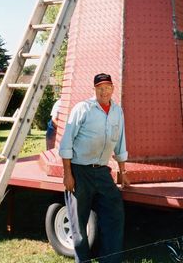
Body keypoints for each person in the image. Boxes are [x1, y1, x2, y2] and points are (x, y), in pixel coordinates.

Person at [59, 73, 130, 263]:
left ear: (113, 88)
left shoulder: (117, 111)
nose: (104, 90)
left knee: (114, 213)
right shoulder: (82, 109)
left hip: (102, 171)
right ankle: (82, 261)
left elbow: (120, 142)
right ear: (94, 89)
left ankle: (110, 260)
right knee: (79, 224)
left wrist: (122, 172)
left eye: (107, 87)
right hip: (79, 171)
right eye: (100, 87)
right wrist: (68, 174)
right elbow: (66, 143)